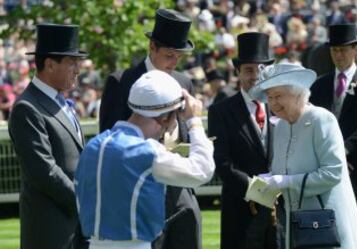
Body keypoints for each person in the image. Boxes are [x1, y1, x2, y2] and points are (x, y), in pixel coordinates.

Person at [75, 70, 215, 249]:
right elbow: (203, 170)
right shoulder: (147, 152)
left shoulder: (93, 146)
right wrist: (194, 122)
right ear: (165, 116)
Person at [99, 9, 202, 249]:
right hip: (140, 193)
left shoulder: (184, 82)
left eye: (179, 56)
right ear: (152, 47)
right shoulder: (121, 81)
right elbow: (110, 141)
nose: (174, 62)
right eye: (169, 55)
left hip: (179, 192)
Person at [250, 63, 357, 249]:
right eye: (269, 97)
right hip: (298, 228)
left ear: (298, 94)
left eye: (278, 96)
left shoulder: (321, 119)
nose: (273, 103)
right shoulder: (282, 126)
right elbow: (282, 171)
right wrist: (265, 184)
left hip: (327, 226)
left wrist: (284, 181)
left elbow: (332, 173)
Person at [8, 24, 88, 249]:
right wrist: (87, 201)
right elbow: (45, 172)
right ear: (50, 64)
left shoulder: (61, 102)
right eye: (71, 62)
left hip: (75, 227)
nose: (77, 69)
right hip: (51, 230)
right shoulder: (27, 107)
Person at [208, 32, 280, 249]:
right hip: (240, 207)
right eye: (249, 69)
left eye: (261, 69)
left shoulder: (280, 106)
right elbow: (221, 161)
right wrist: (258, 192)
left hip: (279, 208)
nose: (256, 75)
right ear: (238, 71)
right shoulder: (220, 111)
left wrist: (276, 193)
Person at [310, 24, 357, 211]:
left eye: (343, 50)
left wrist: (345, 150)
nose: (338, 55)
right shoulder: (319, 85)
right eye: (334, 50)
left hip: (356, 164)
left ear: (355, 50)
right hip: (325, 166)